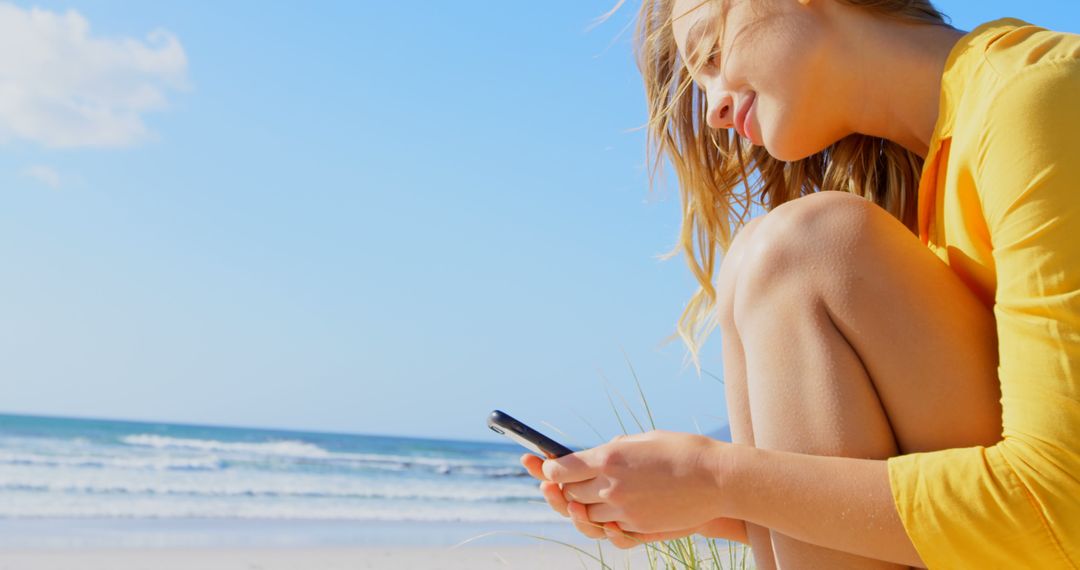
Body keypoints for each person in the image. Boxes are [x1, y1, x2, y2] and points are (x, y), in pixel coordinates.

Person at [520, 0, 1080, 568]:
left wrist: (717, 477)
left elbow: (1061, 509)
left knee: (800, 249)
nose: (712, 110)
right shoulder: (937, 179)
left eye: (713, 53)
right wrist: (695, 501)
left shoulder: (1037, 98)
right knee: (771, 259)